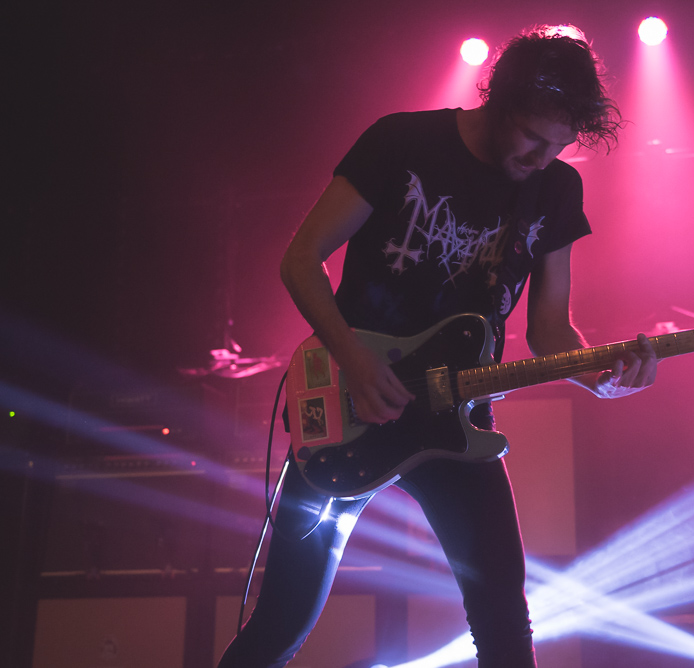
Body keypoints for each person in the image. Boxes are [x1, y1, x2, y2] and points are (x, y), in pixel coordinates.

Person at [218, 25, 657, 668]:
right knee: (281, 623)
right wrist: (353, 357)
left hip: (458, 423)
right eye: (534, 138)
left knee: (506, 625)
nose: (542, 158)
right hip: (350, 403)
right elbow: (301, 259)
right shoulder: (402, 141)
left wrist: (605, 375)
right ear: (499, 102)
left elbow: (549, 331)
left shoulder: (559, 189)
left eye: (560, 145)